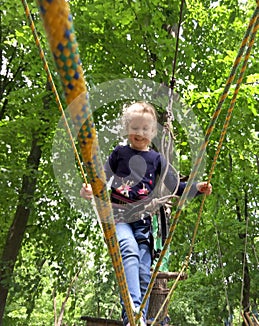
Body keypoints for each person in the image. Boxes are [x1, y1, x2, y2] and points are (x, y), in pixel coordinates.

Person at [80, 101, 212, 326]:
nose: (139, 133)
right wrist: (91, 189)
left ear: (152, 132)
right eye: (134, 128)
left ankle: (139, 315)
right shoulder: (120, 153)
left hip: (143, 220)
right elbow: (102, 176)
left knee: (143, 270)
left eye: (144, 129)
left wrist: (196, 188)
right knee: (128, 250)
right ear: (126, 129)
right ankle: (133, 312)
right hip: (119, 215)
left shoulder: (157, 160)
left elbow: (174, 186)